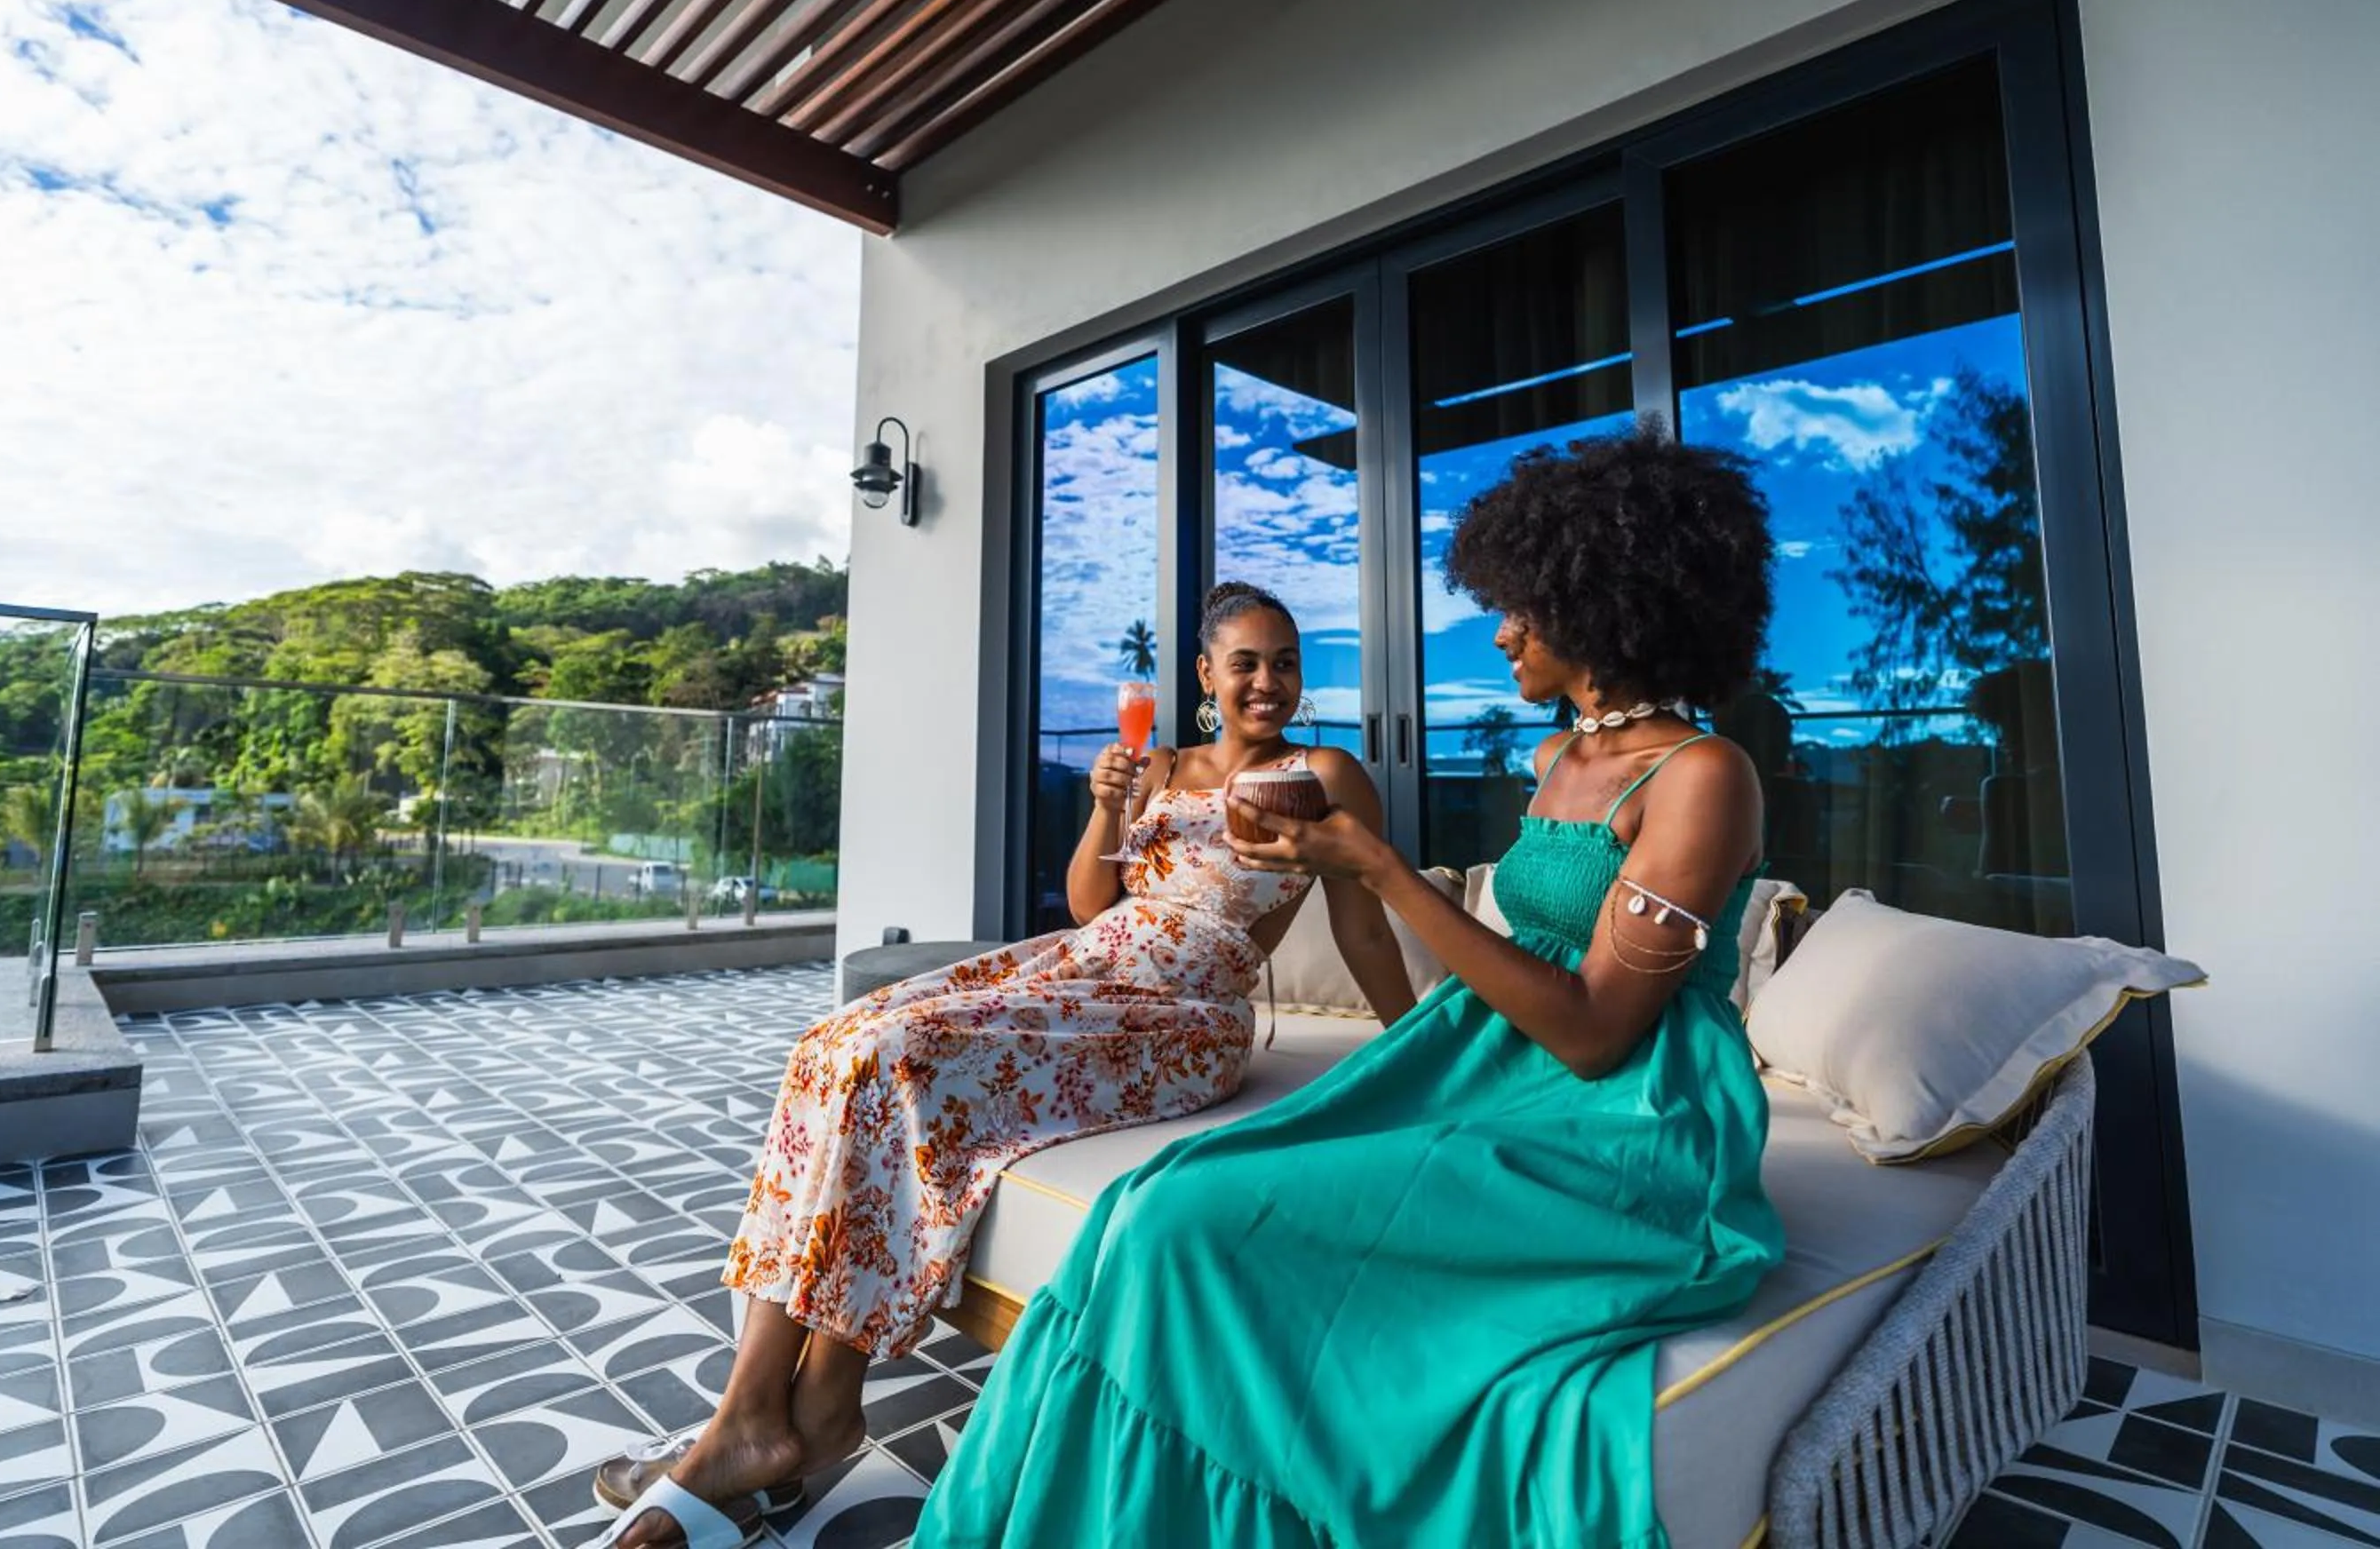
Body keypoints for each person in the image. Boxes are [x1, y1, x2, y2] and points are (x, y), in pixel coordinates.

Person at [916, 424, 1783, 1548]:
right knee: (1158, 1195)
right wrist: (1410, 1029)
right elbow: (1531, 953)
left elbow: (1597, 1030)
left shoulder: (1705, 774)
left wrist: (1373, 864)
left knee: (1192, 1219)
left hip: (1630, 1112)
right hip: (1496, 1059)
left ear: (1602, 602)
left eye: (1520, 606)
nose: (1502, 630)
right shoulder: (1557, 759)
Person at [594, 582, 1412, 1548]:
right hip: (1085, 963)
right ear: (1206, 674)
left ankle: (774, 1424)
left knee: (897, 1056)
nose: (1267, 681)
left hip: (1182, 1014)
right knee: (834, 1042)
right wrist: (1106, 809)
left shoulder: (1324, 773)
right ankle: (769, 1412)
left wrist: (1421, 1052)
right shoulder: (1158, 765)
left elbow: (1363, 925)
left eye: (1285, 662)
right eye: (1246, 662)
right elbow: (1091, 903)